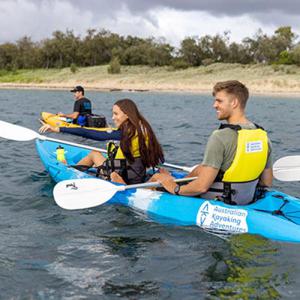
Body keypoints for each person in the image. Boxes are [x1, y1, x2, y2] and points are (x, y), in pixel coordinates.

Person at [153, 80, 273, 205]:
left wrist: (174, 187)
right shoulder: (262, 136)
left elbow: (201, 187)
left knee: (158, 177)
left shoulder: (220, 137)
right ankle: (182, 181)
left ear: (234, 103)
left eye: (219, 101)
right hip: (247, 198)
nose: (214, 105)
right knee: (201, 168)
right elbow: (266, 182)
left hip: (221, 199)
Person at [40, 98, 164, 185]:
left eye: (116, 114)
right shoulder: (143, 128)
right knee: (104, 156)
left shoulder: (125, 133)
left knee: (94, 154)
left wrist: (58, 129)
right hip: (137, 174)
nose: (113, 117)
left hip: (126, 177)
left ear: (127, 115)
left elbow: (90, 133)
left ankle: (70, 172)